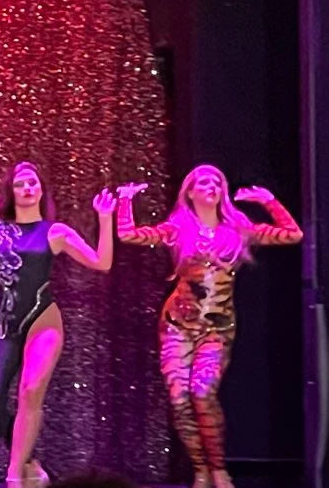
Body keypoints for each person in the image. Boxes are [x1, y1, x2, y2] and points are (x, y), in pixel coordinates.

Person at [117, 165, 303, 488]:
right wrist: (124, 202)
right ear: (190, 192)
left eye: (217, 182)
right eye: (203, 182)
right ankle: (200, 468)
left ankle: (219, 469)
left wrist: (269, 201)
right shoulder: (177, 229)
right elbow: (129, 234)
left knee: (202, 392)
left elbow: (293, 233)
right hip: (177, 324)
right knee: (178, 396)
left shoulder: (238, 230)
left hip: (216, 327)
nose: (211, 186)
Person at [0, 161, 115, 488]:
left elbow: (102, 262)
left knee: (30, 390)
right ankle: (31, 464)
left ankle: (15, 476)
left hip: (42, 320)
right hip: (4, 325)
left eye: (33, 182)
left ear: (41, 190)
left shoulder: (54, 232)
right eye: (20, 184)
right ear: (11, 192)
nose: (28, 188)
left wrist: (105, 218)